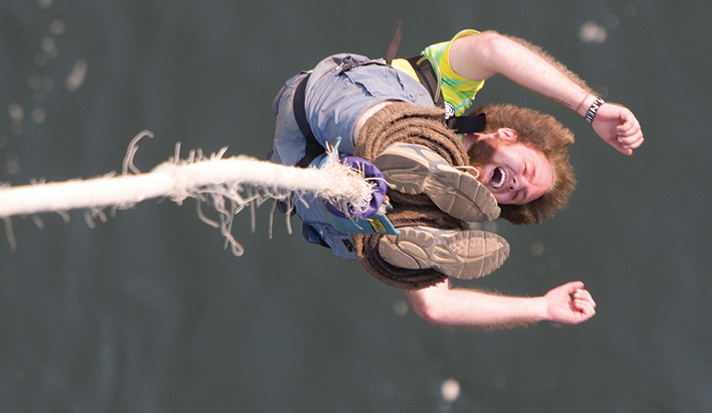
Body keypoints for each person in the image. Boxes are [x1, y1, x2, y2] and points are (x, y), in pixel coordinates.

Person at [269, 29, 643, 329]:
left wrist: (543, 307)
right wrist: (590, 107)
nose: (516, 185)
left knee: (373, 216)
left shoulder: (439, 221)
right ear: (507, 135)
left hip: (303, 169)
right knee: (406, 123)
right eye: (525, 171)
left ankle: (387, 222)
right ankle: (419, 155)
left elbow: (435, 306)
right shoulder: (451, 88)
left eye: (518, 196)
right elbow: (493, 48)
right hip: (332, 99)